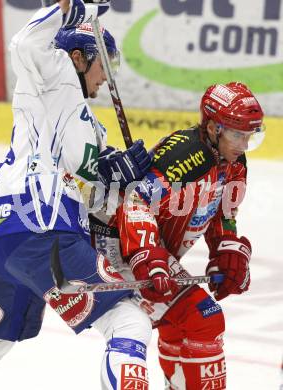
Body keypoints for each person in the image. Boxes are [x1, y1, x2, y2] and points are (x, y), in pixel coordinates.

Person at [0, 1, 153, 389]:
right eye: (105, 64)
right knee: (128, 320)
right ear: (78, 57)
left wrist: (118, 172)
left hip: (2, 237)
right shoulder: (54, 73)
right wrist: (76, 11)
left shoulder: (90, 127)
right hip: (42, 230)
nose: (107, 77)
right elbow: (24, 43)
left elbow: (86, 189)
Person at [91, 82, 265, 389]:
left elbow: (222, 213)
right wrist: (148, 255)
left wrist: (226, 250)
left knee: (179, 326)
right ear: (213, 128)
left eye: (250, 135)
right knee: (204, 318)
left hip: (154, 251)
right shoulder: (188, 155)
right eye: (238, 134)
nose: (243, 144)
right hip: (121, 245)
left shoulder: (234, 163)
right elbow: (135, 201)